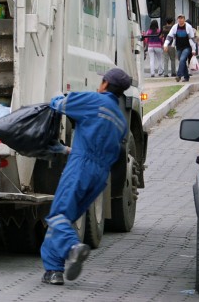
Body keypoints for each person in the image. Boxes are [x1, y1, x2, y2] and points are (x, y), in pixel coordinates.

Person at [40, 67, 131, 286]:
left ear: (105, 84)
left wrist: (53, 95)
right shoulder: (121, 121)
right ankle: (54, 271)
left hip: (81, 167)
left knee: (58, 215)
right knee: (64, 220)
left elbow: (60, 104)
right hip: (100, 177)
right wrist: (68, 150)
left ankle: (73, 247)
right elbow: (104, 145)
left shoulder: (94, 100)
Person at [163, 14, 196, 82]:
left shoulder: (188, 27)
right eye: (179, 18)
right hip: (179, 47)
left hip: (187, 47)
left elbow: (192, 39)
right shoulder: (175, 27)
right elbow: (169, 36)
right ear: (177, 19)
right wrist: (165, 44)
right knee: (182, 61)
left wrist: (193, 49)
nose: (180, 20)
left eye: (182, 18)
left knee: (182, 59)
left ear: (184, 19)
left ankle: (179, 75)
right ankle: (186, 77)